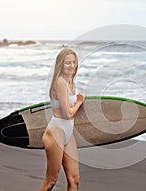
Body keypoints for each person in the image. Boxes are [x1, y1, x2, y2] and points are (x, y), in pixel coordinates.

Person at [40, 48, 84, 191]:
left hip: (68, 131)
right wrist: (79, 101)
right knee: (51, 180)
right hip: (56, 131)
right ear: (60, 65)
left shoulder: (70, 81)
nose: (71, 66)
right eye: (67, 63)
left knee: (74, 179)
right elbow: (68, 114)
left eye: (73, 62)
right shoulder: (60, 82)